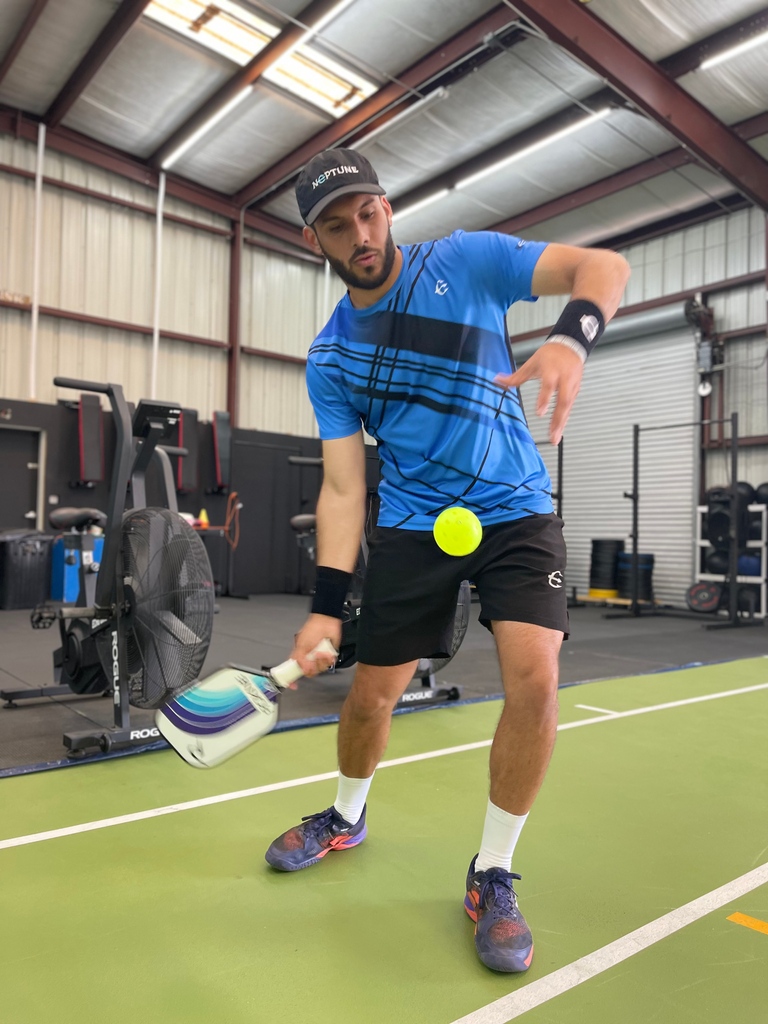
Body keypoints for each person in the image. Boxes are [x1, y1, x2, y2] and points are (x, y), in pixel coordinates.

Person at [265, 147, 630, 973]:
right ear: (313, 241)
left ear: (386, 207)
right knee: (368, 698)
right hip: (414, 526)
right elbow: (343, 487)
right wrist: (325, 604)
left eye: (368, 212)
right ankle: (346, 815)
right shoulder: (331, 359)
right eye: (336, 224)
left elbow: (602, 267)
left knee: (536, 680)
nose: (360, 233)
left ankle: (493, 872)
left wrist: (573, 339)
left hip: (516, 510)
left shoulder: (463, 262)